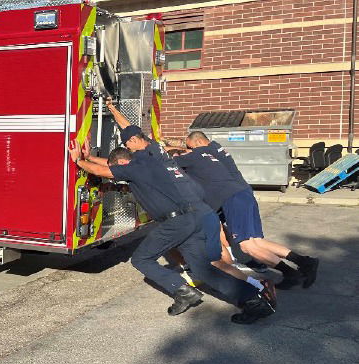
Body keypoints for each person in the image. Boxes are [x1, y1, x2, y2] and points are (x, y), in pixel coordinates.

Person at [69, 140, 274, 324]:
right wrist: (90, 157)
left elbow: (102, 171)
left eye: (117, 171)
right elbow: (111, 166)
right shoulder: (147, 164)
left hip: (177, 222)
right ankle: (253, 301)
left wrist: (79, 160)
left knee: (142, 259)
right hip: (192, 218)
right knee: (203, 270)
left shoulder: (133, 169)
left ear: (123, 164)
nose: (118, 178)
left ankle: (182, 291)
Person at [166, 131, 319, 289]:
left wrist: (168, 149)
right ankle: (305, 262)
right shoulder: (215, 148)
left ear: (197, 143)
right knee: (256, 242)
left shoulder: (201, 153)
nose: (190, 150)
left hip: (233, 198)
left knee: (247, 246)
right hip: (243, 194)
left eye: (191, 147)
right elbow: (192, 152)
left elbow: (175, 159)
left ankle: (290, 273)